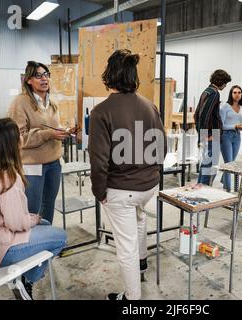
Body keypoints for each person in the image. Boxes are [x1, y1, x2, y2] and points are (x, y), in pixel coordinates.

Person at [88, 49, 167, 300]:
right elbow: (162, 148)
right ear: (133, 76)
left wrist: (99, 193)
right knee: (140, 219)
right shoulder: (150, 106)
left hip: (121, 189)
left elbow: (98, 161)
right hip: (149, 186)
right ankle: (142, 263)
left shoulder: (101, 111)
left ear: (109, 76)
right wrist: (150, 174)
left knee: (126, 247)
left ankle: (132, 300)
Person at [0, 118, 67, 300]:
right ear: (12, 144)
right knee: (60, 237)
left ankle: (22, 277)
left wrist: (35, 220)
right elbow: (17, 224)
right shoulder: (8, 178)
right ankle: (25, 279)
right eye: (19, 134)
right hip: (0, 249)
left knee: (43, 223)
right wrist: (33, 219)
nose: (22, 137)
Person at [8, 61, 72, 224]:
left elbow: (53, 127)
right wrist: (49, 134)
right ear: (28, 80)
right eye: (38, 75)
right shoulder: (20, 102)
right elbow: (18, 136)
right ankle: (31, 243)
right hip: (32, 165)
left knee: (48, 205)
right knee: (32, 209)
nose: (44, 79)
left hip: (54, 163)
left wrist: (63, 130)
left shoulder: (52, 102)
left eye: (46, 74)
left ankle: (46, 241)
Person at [194, 69, 232, 186]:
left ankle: (200, 188)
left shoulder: (206, 91)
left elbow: (196, 114)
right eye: (225, 83)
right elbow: (205, 115)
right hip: (212, 133)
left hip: (209, 133)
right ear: (221, 81)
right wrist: (206, 135)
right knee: (209, 165)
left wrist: (200, 134)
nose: (225, 86)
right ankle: (203, 191)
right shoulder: (214, 93)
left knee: (206, 163)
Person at [219, 85, 242, 191]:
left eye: (239, 93)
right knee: (229, 164)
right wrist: (235, 126)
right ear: (231, 94)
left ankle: (224, 180)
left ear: (241, 95)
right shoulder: (225, 107)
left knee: (232, 161)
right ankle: (228, 189)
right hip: (226, 136)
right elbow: (221, 125)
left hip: (237, 136)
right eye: (235, 92)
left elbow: (239, 126)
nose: (237, 95)